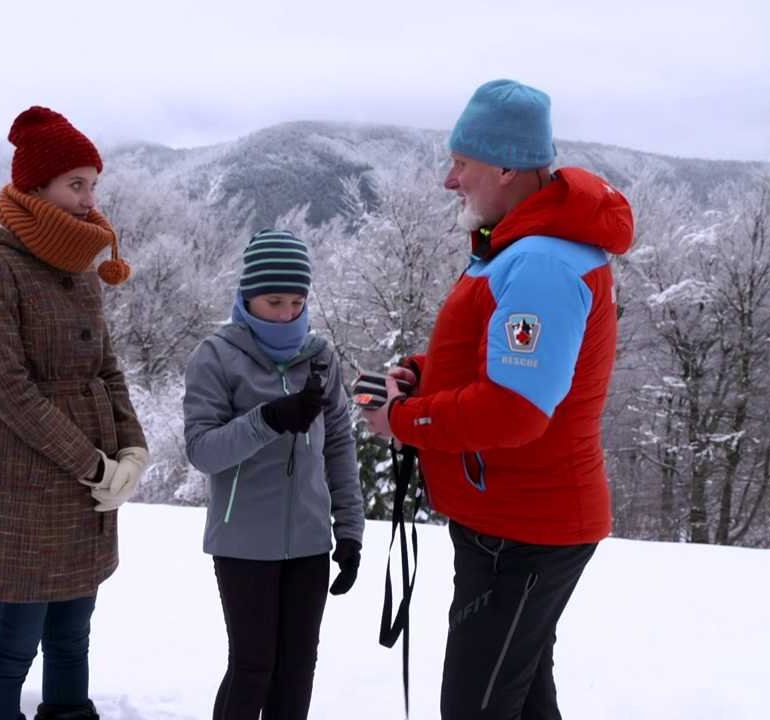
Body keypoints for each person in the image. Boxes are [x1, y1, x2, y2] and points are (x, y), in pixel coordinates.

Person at [362, 79, 633, 719]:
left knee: (477, 709)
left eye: (462, 164)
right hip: (508, 520)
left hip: (525, 530)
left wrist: (403, 420)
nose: (449, 181)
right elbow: (496, 361)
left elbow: (515, 409)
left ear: (508, 167)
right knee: (519, 696)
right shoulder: (514, 246)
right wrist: (420, 374)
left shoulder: (542, 263)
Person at [0, 106, 149, 720]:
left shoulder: (81, 266)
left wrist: (132, 447)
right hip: (27, 482)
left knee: (72, 637)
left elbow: (107, 369)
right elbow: (6, 386)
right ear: (34, 187)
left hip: (89, 488)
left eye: (93, 184)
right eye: (76, 184)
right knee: (12, 647)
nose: (89, 200)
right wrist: (91, 464)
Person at [183, 229, 365, 719]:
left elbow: (340, 446)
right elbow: (202, 451)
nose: (287, 312)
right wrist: (268, 420)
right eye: (274, 301)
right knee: (253, 667)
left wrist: (349, 531)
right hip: (242, 545)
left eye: (297, 300)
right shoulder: (216, 356)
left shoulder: (320, 356)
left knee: (298, 668)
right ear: (248, 298)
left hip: (309, 543)